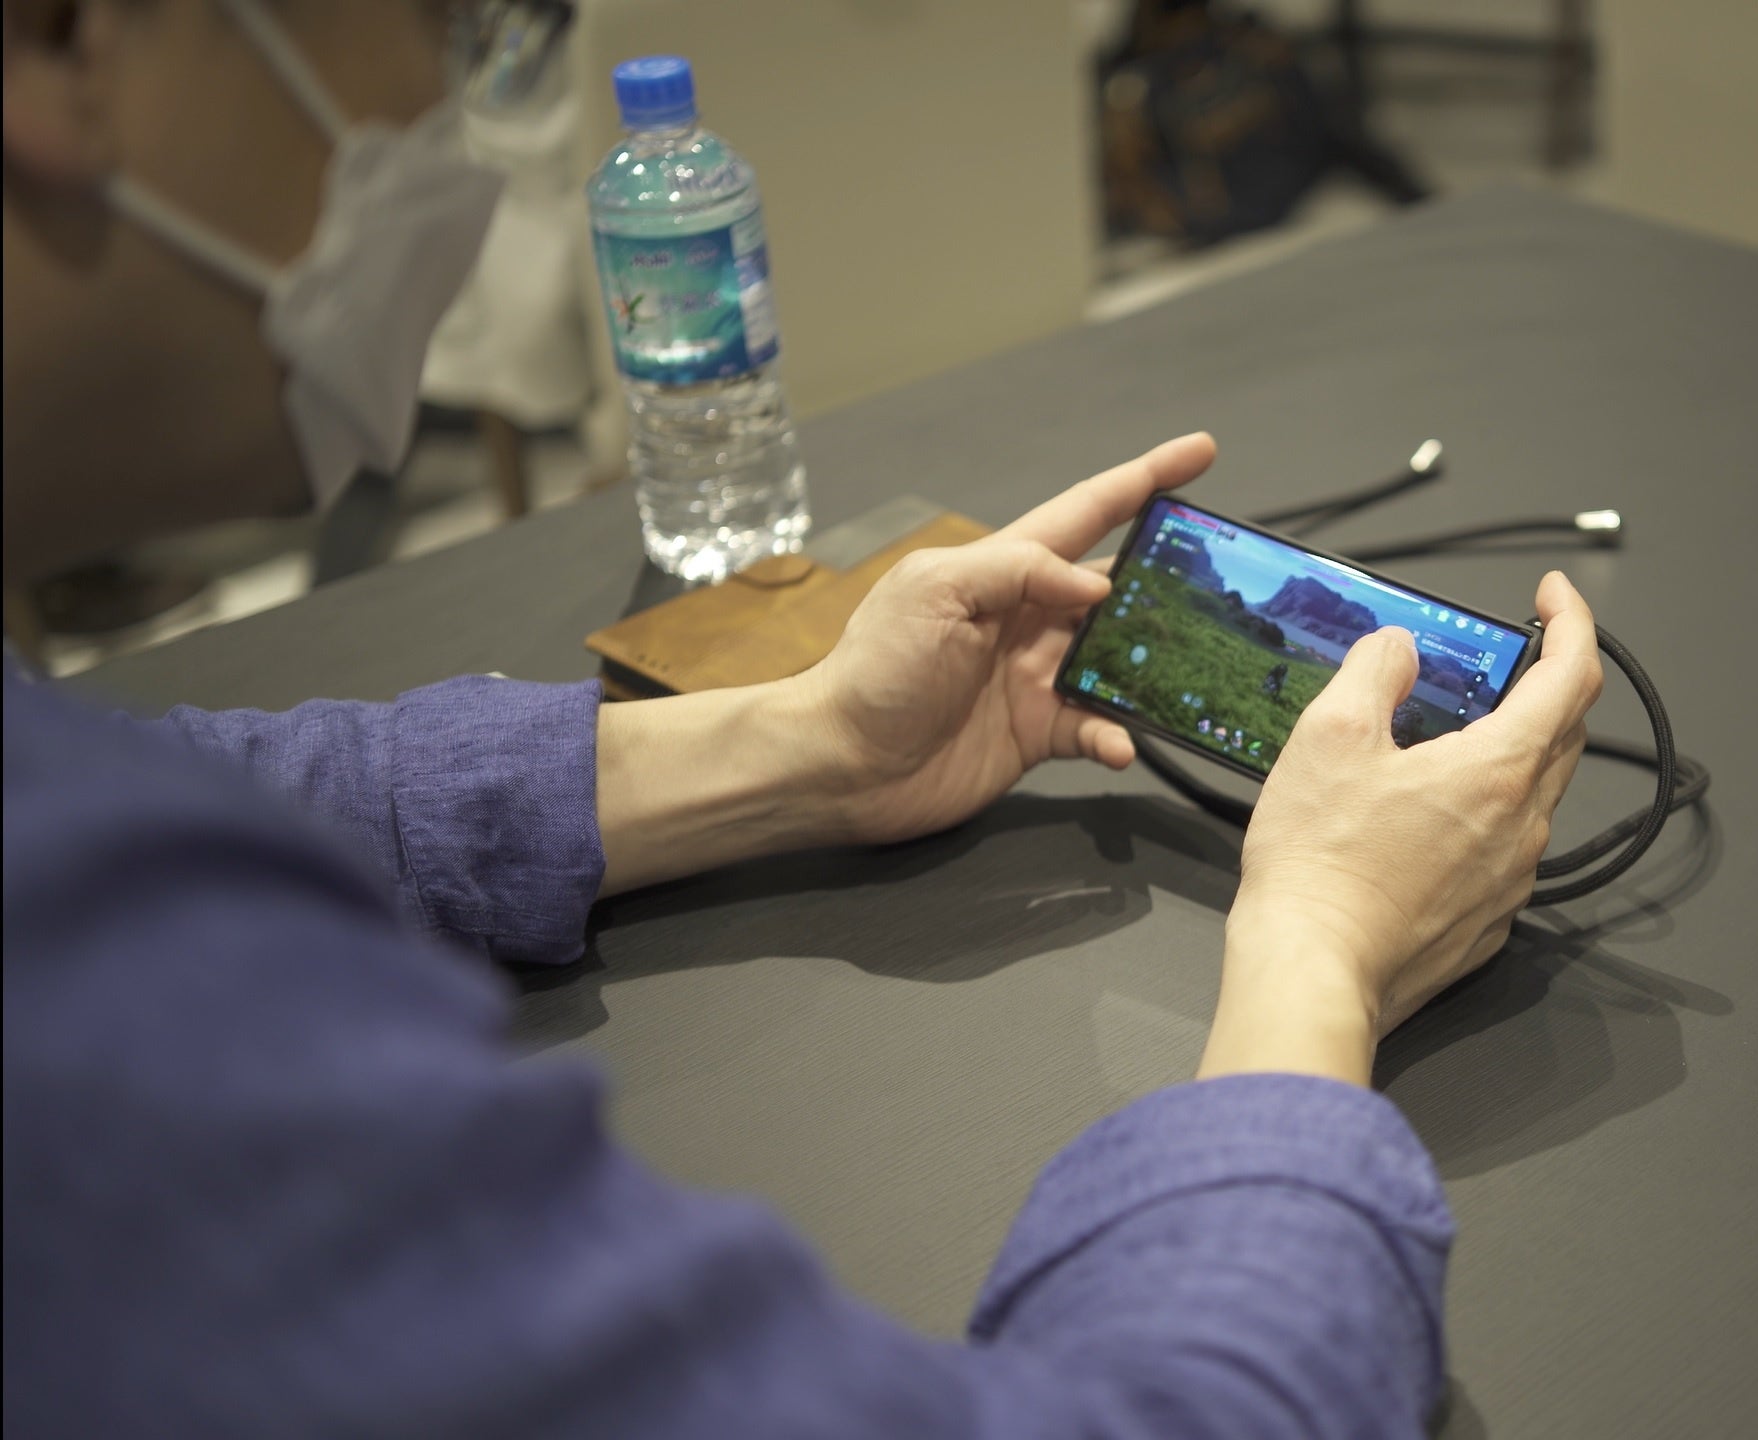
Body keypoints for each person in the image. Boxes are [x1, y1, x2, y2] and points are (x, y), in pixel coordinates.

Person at [1, 2, 1604, 1436]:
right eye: (444, 21)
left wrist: (807, 745)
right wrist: (1319, 955)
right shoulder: (101, 1026)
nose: (446, 114)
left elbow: (234, 785)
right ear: (65, 44)